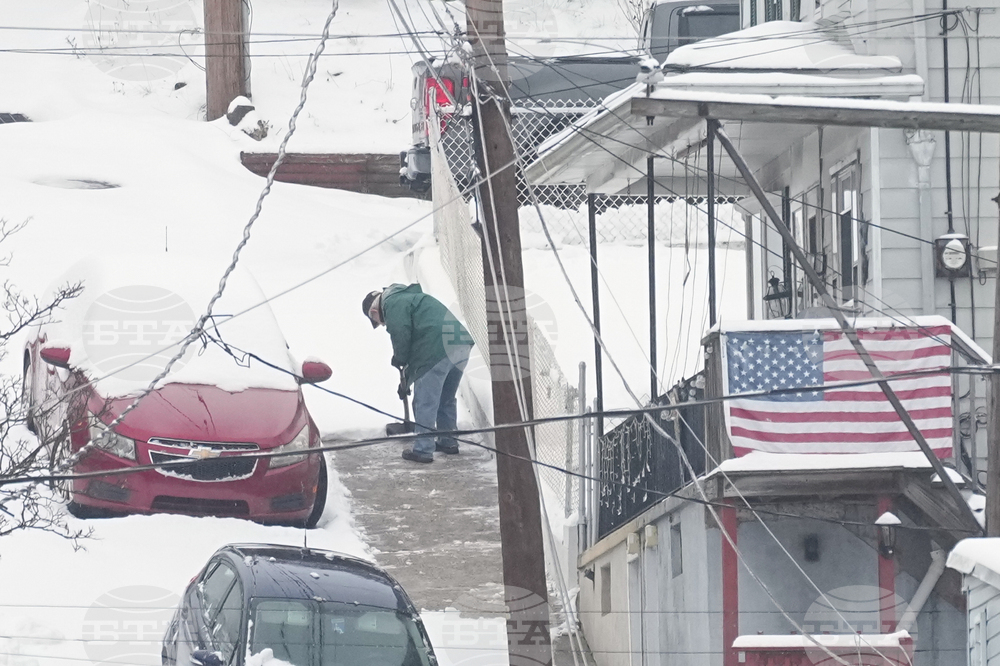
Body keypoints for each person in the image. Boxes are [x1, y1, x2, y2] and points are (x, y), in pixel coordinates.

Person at [362, 284, 474, 463]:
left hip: (437, 349)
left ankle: (423, 450)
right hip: (460, 344)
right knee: (445, 398)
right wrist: (405, 381)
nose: (382, 325)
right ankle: (448, 442)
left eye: (379, 321)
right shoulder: (407, 298)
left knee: (425, 402)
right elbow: (417, 348)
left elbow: (401, 334)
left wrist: (399, 358)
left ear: (374, 311)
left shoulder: (392, 304)